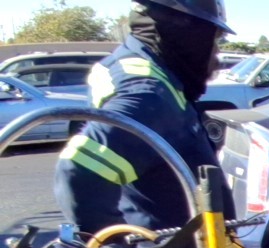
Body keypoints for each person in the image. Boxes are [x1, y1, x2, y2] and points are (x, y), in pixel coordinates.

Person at [54, 0, 235, 233]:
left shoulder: (136, 67)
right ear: (188, 32)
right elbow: (80, 171)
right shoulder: (149, 94)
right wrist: (111, 246)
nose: (217, 53)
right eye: (214, 39)